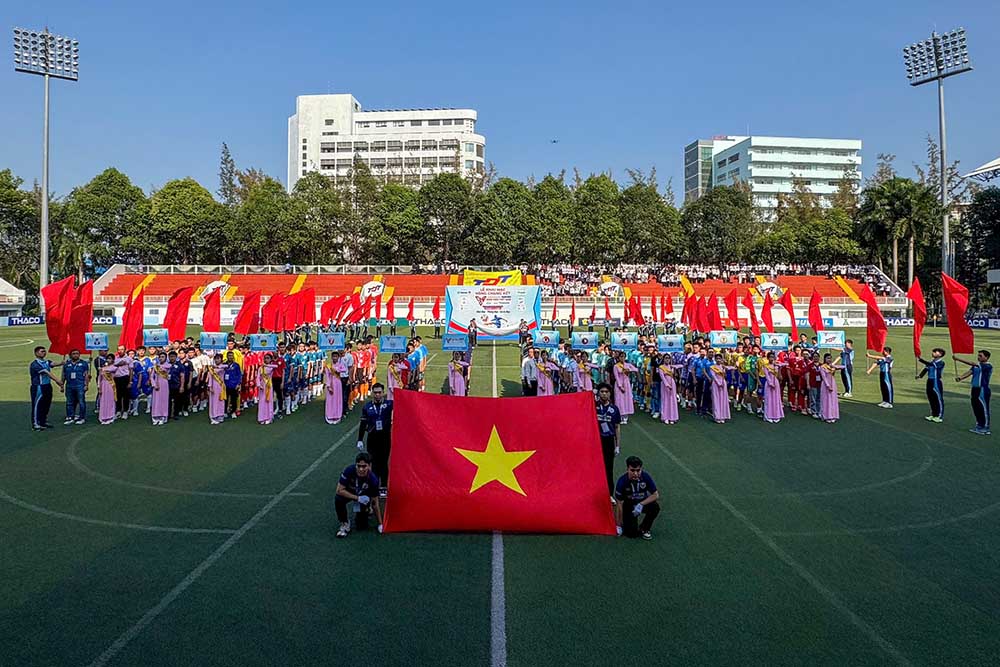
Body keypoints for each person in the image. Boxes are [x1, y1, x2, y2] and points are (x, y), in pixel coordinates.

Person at [334, 452, 384, 538]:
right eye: (358, 466)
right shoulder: (349, 470)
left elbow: (375, 503)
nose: (361, 469)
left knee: (361, 526)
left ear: (369, 466)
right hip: (351, 493)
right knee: (338, 499)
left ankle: (367, 509)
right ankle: (345, 523)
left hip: (364, 496)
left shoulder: (373, 480)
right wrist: (357, 498)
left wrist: (380, 523)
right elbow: (339, 490)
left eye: (364, 466)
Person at [613, 456, 661, 540]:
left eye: (638, 470)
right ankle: (628, 525)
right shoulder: (622, 481)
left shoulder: (645, 477)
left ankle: (644, 528)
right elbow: (619, 504)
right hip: (629, 506)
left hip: (642, 503)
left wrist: (641, 504)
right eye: (632, 470)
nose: (635, 473)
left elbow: (655, 495)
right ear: (627, 469)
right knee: (631, 534)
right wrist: (618, 525)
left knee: (655, 507)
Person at [357, 383, 393, 494]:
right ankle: (375, 485)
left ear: (383, 393)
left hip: (385, 438)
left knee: (383, 463)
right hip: (372, 438)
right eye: (375, 392)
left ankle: (383, 486)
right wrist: (360, 439)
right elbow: (363, 423)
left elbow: (404, 405)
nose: (377, 395)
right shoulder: (367, 407)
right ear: (372, 393)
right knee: (373, 463)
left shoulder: (389, 404)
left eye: (379, 392)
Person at [955, 350, 992, 435]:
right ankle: (979, 425)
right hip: (974, 389)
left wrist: (958, 359)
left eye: (981, 356)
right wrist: (960, 378)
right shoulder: (976, 366)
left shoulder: (987, 366)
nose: (978, 357)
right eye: (978, 355)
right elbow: (969, 372)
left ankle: (985, 428)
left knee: (984, 408)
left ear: (986, 357)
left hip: (982, 389)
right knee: (976, 408)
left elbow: (972, 363)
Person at [595, 383, 621, 496]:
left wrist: (617, 445)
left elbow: (617, 427)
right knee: (596, 468)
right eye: (602, 392)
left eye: (606, 392)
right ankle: (596, 492)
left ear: (610, 394)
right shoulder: (593, 406)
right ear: (598, 393)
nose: (604, 394)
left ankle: (609, 494)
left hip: (609, 441)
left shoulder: (614, 409)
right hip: (596, 441)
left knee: (608, 469)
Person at [30, 345, 63, 430]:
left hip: (47, 386)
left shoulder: (46, 362)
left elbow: (53, 364)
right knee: (37, 405)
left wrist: (63, 362)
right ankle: (35, 423)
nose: (44, 353)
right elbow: (47, 372)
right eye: (42, 351)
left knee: (46, 404)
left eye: (44, 351)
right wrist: (57, 381)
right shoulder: (35, 364)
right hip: (39, 387)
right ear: (36, 353)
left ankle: (43, 421)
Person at [917, 348, 946, 423]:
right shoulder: (932, 362)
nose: (933, 353)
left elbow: (931, 365)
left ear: (940, 354)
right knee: (931, 397)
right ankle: (933, 414)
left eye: (935, 352)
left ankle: (939, 416)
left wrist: (920, 359)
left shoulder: (941, 363)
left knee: (938, 398)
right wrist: (920, 376)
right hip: (929, 381)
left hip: (936, 381)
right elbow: (926, 369)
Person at [61, 349, 90, 425]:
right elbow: (63, 375)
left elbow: (86, 375)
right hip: (69, 385)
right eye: (73, 354)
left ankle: (82, 417)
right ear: (70, 355)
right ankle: (70, 417)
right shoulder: (66, 364)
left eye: (77, 353)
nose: (75, 355)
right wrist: (62, 385)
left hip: (80, 385)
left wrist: (86, 385)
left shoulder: (84, 364)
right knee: (69, 402)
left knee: (81, 402)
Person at [612, 351, 638, 424]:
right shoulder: (616, 366)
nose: (622, 358)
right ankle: (620, 415)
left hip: (626, 383)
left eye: (623, 356)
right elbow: (616, 376)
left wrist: (629, 370)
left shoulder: (627, 365)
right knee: (619, 400)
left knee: (626, 399)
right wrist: (620, 386)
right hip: (619, 384)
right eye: (621, 356)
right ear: (618, 358)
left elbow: (636, 369)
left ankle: (625, 416)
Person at [819, 353, 844, 423]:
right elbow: (824, 377)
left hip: (833, 383)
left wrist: (833, 366)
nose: (829, 360)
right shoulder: (823, 367)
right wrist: (828, 386)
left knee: (833, 400)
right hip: (826, 385)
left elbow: (843, 367)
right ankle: (826, 416)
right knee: (826, 400)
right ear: (824, 359)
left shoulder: (832, 366)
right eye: (827, 358)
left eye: (830, 358)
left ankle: (833, 415)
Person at [324, 350, 347, 425]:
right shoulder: (328, 366)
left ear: (338, 357)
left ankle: (337, 415)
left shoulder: (340, 364)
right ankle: (329, 415)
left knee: (337, 399)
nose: (335, 358)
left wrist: (337, 370)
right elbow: (327, 376)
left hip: (338, 384)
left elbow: (344, 369)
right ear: (331, 357)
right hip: (331, 384)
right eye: (333, 356)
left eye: (336, 356)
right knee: (330, 400)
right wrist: (328, 386)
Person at [150, 352, 171, 426]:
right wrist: (154, 384)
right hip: (156, 386)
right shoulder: (156, 366)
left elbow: (169, 375)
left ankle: (163, 417)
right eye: (160, 357)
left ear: (166, 358)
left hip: (164, 385)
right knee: (156, 401)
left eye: (163, 357)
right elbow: (151, 377)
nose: (161, 358)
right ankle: (155, 417)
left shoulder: (168, 366)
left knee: (163, 401)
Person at [763, 352, 784, 423]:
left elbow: (779, 376)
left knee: (776, 399)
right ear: (768, 358)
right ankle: (768, 416)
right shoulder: (766, 366)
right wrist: (770, 383)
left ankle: (776, 415)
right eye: (770, 357)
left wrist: (779, 369)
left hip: (776, 383)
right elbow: (767, 375)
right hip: (769, 384)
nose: (771, 358)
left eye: (772, 357)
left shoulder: (776, 366)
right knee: (769, 399)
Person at [97, 353, 118, 425]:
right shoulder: (103, 368)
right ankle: (103, 417)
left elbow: (113, 373)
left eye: (110, 359)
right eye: (107, 359)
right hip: (103, 385)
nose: (108, 360)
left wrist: (103, 370)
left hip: (110, 385)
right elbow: (99, 378)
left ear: (113, 360)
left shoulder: (114, 367)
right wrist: (99, 387)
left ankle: (111, 416)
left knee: (110, 400)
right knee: (103, 401)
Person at [709, 354, 731, 424]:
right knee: (716, 400)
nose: (718, 360)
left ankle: (723, 416)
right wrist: (718, 383)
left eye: (719, 358)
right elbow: (713, 376)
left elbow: (725, 375)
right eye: (717, 358)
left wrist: (724, 371)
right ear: (715, 359)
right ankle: (717, 416)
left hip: (723, 383)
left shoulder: (723, 367)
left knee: (723, 399)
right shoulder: (712, 367)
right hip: (716, 384)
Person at [257, 354, 277, 425]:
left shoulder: (271, 367)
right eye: (265, 358)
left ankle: (269, 418)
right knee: (262, 402)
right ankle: (261, 418)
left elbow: (276, 366)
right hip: (262, 387)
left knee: (268, 401)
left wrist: (266, 365)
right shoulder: (260, 368)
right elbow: (258, 377)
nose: (266, 359)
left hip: (269, 386)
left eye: (268, 358)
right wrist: (259, 385)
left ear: (271, 359)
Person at [657, 359, 679, 425]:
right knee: (665, 400)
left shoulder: (671, 366)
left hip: (672, 383)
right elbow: (662, 377)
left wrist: (674, 367)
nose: (667, 360)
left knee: (672, 400)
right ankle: (665, 417)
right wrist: (667, 385)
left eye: (668, 358)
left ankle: (672, 417)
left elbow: (681, 365)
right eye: (666, 358)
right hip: (665, 385)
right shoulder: (661, 367)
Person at [223, 351, 243, 418]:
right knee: (225, 399)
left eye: (231, 356)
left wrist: (238, 384)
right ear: (227, 356)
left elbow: (239, 375)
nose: (230, 357)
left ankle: (233, 412)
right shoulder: (224, 365)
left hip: (234, 385)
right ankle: (225, 411)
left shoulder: (236, 365)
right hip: (225, 385)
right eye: (229, 356)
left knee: (233, 399)